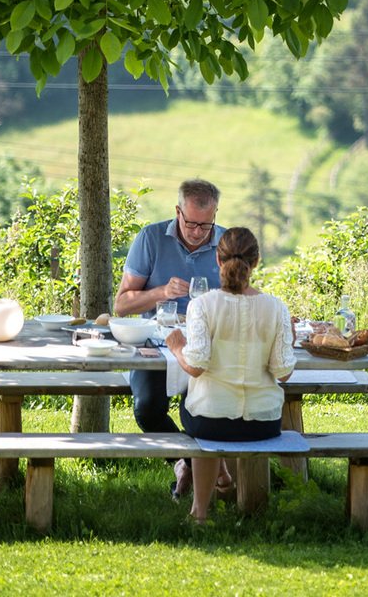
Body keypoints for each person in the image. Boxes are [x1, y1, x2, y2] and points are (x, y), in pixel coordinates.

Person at [166, 226, 294, 524]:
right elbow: (283, 373)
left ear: (218, 261)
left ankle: (199, 513)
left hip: (212, 425)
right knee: (202, 407)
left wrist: (176, 347)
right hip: (263, 423)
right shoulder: (277, 308)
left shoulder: (202, 304)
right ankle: (223, 476)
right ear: (257, 262)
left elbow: (195, 365)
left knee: (191, 401)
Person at [114, 178, 226, 496]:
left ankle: (203, 471)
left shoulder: (226, 243)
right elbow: (121, 305)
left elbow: (241, 301)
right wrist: (160, 292)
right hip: (156, 344)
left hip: (208, 348)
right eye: (191, 223)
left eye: (206, 225)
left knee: (201, 409)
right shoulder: (151, 237)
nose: (197, 232)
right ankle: (186, 462)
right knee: (147, 408)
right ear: (177, 211)